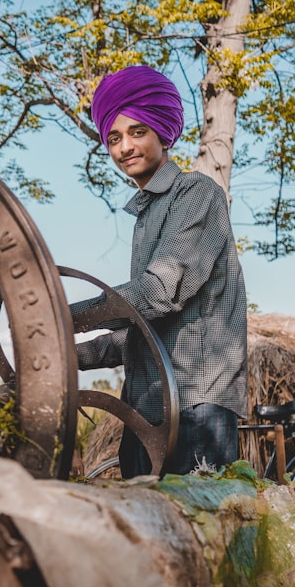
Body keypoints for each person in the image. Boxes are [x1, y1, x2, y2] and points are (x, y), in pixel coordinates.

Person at [71, 65, 247, 477]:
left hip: (195, 407)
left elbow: (156, 293)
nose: (124, 147)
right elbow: (141, 335)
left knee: (198, 533)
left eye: (137, 132)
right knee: (144, 533)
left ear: (162, 134)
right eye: (113, 138)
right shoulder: (146, 215)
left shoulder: (198, 194)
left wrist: (66, 317)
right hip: (146, 408)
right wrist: (68, 354)